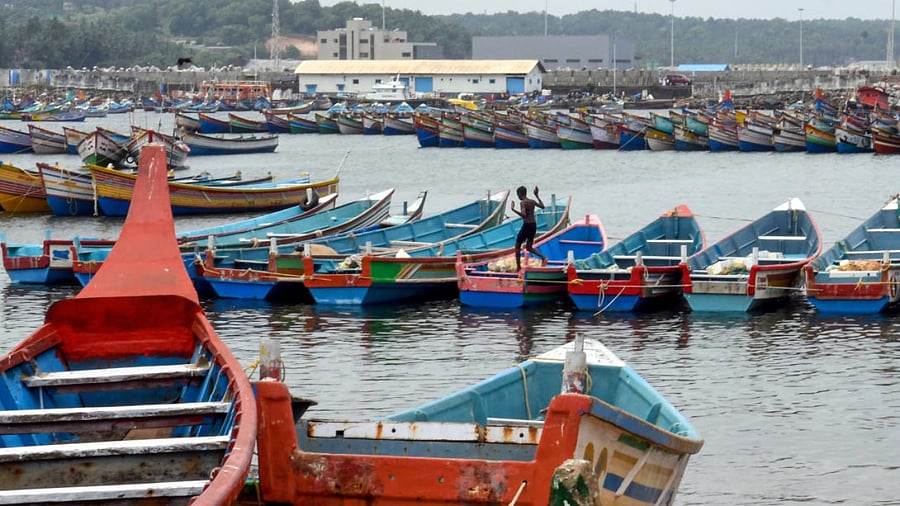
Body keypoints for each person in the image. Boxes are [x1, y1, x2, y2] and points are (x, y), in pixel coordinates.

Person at [511, 185, 548, 271]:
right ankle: (544, 258)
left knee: (517, 246)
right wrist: (537, 195)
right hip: (533, 225)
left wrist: (513, 209)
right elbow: (542, 206)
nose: (518, 197)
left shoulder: (523, 202)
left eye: (518, 195)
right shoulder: (532, 201)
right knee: (529, 247)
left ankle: (518, 268)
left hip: (527, 225)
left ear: (520, 194)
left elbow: (524, 215)